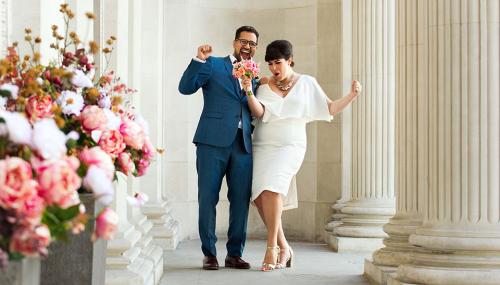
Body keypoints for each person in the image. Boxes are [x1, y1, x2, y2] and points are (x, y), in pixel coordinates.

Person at [241, 40, 362, 271]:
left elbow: (329, 108)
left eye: (278, 62)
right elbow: (260, 112)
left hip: (291, 145)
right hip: (264, 144)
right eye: (270, 64)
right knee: (259, 196)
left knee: (273, 188)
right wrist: (249, 90)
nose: (274, 68)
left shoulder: (307, 83)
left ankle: (271, 249)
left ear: (290, 60)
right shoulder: (264, 85)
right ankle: (284, 246)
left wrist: (352, 96)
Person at [178, 26, 260, 270]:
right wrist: (198, 61)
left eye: (252, 43)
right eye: (243, 41)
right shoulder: (213, 64)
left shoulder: (254, 75)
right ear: (235, 42)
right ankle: (209, 253)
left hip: (243, 144)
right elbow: (185, 87)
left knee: (240, 200)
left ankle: (234, 254)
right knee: (208, 197)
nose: (247, 46)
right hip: (211, 142)